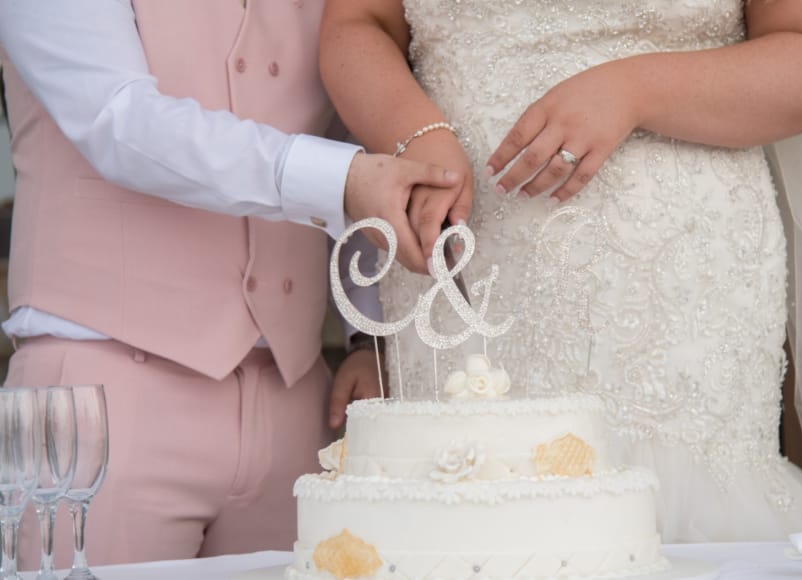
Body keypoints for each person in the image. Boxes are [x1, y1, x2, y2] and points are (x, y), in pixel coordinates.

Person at [319, 0, 802, 542]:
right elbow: (358, 24)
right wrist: (415, 135)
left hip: (681, 292)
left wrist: (635, 87)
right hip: (463, 266)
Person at [0, 0, 462, 569]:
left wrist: (366, 335)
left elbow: (361, 144)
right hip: (102, 399)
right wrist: (339, 179)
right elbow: (119, 120)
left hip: (300, 399)